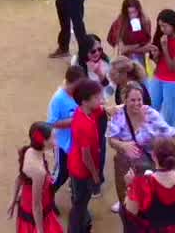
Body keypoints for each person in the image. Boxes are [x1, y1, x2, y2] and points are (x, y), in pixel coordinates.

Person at [107, 82, 175, 213]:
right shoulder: (119, 115)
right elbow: (111, 139)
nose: (137, 103)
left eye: (139, 99)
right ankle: (124, 203)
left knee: (146, 196)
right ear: (125, 100)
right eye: (132, 100)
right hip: (126, 162)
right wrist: (123, 145)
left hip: (148, 161)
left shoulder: (150, 113)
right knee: (123, 180)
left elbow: (169, 131)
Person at [119, 135, 175, 232]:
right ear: (173, 154)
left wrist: (129, 186)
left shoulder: (143, 184)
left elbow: (131, 213)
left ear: (153, 156)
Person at [10, 121, 64, 233]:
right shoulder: (39, 171)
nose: (56, 142)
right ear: (44, 142)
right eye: (53, 138)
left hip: (26, 205)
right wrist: (40, 230)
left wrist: (13, 200)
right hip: (37, 214)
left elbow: (20, 177)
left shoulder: (29, 151)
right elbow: (36, 206)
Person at [66, 78, 105, 233]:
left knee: (80, 201)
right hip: (82, 171)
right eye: (96, 97)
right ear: (84, 101)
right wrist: (95, 176)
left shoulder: (88, 111)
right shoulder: (85, 124)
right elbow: (86, 157)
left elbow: (102, 109)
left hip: (76, 165)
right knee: (80, 204)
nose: (100, 100)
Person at [47, 65, 86, 192]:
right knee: (60, 174)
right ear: (72, 82)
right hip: (62, 145)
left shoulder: (78, 94)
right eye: (79, 84)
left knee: (73, 171)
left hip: (76, 144)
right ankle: (47, 196)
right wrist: (75, 121)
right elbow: (52, 122)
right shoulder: (58, 99)